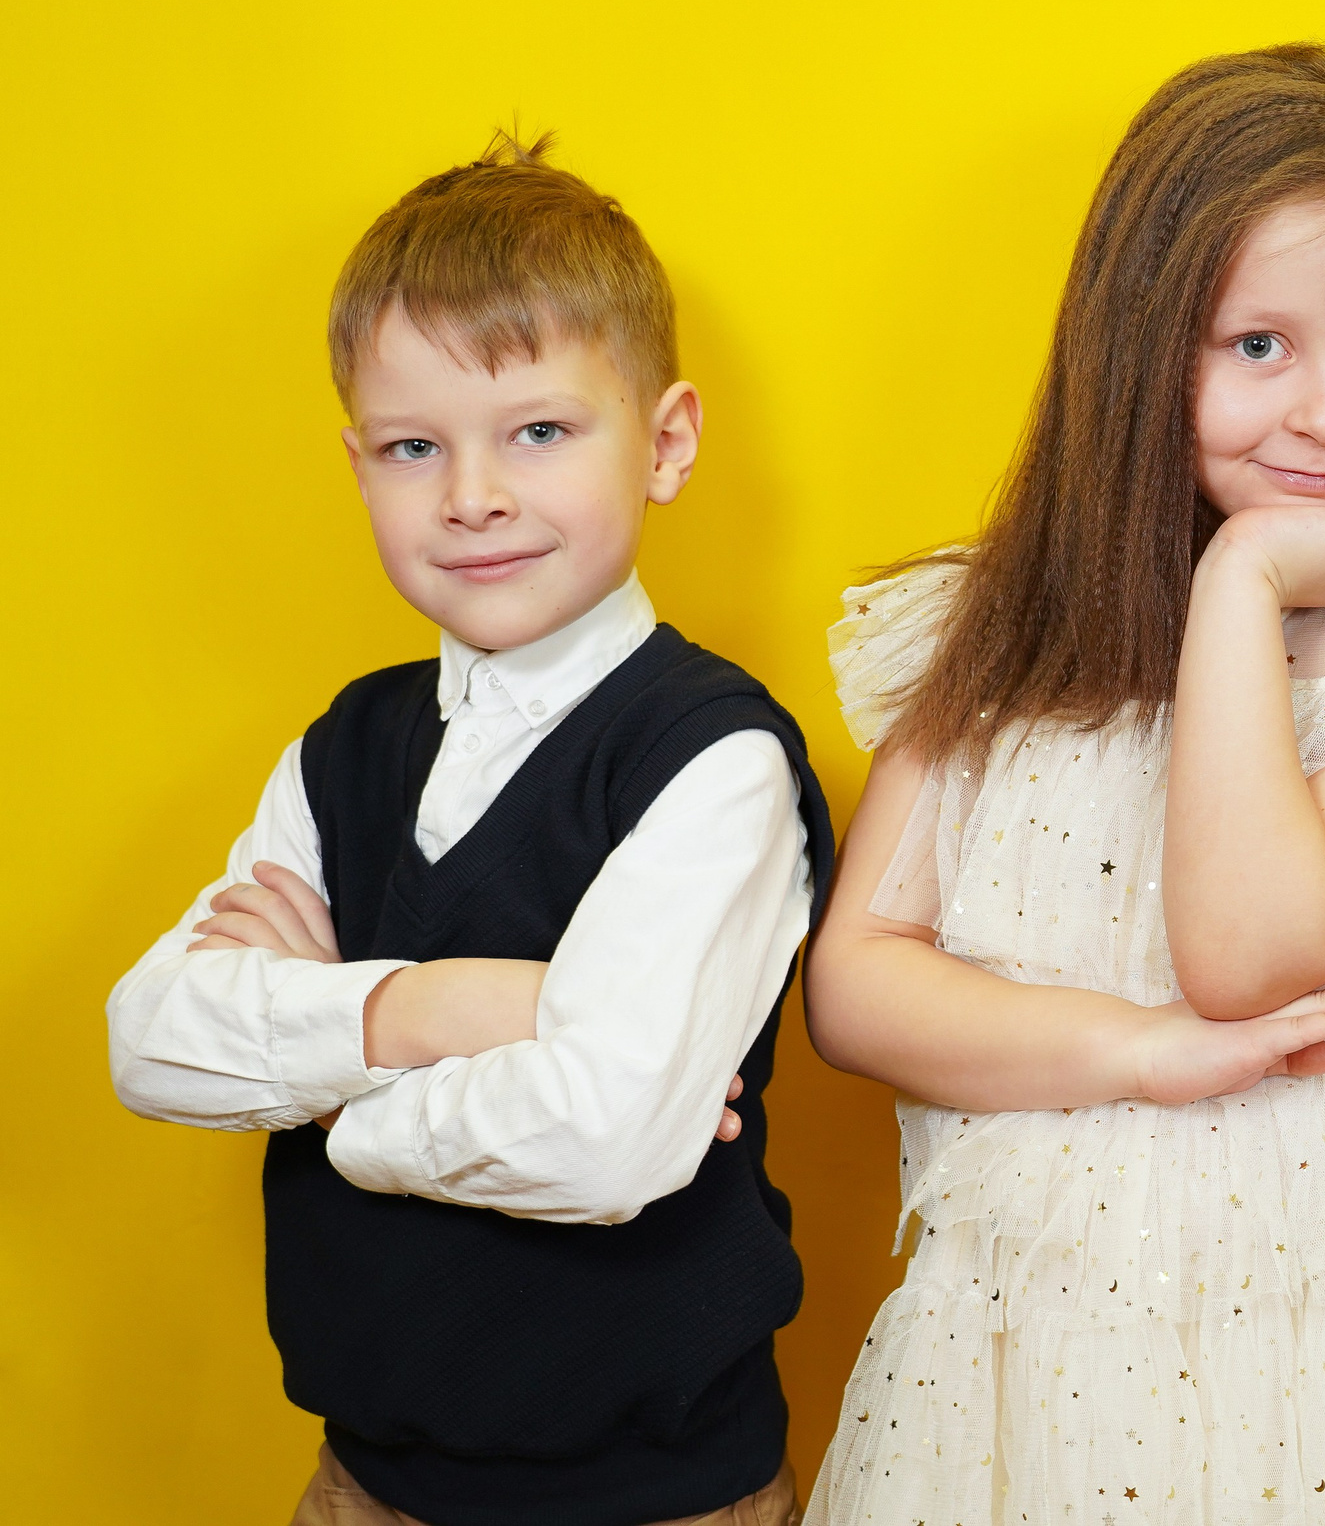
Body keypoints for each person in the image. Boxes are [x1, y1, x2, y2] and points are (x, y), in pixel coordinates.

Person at [800, 40, 1325, 1523]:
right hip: (1031, 1346)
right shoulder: (997, 633)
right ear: (1139, 347)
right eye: (1257, 347)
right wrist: (1137, 1051)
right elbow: (856, 986)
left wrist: (1240, 584)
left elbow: (1250, 954)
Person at [106, 134, 830, 1526]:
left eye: (540, 432)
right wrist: (440, 1012)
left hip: (657, 1499)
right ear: (358, 460)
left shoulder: (711, 756)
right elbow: (148, 1039)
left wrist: (328, 1092)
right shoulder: (348, 745)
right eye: (413, 447)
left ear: (667, 442)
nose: (472, 495)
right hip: (363, 1481)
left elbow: (607, 1139)